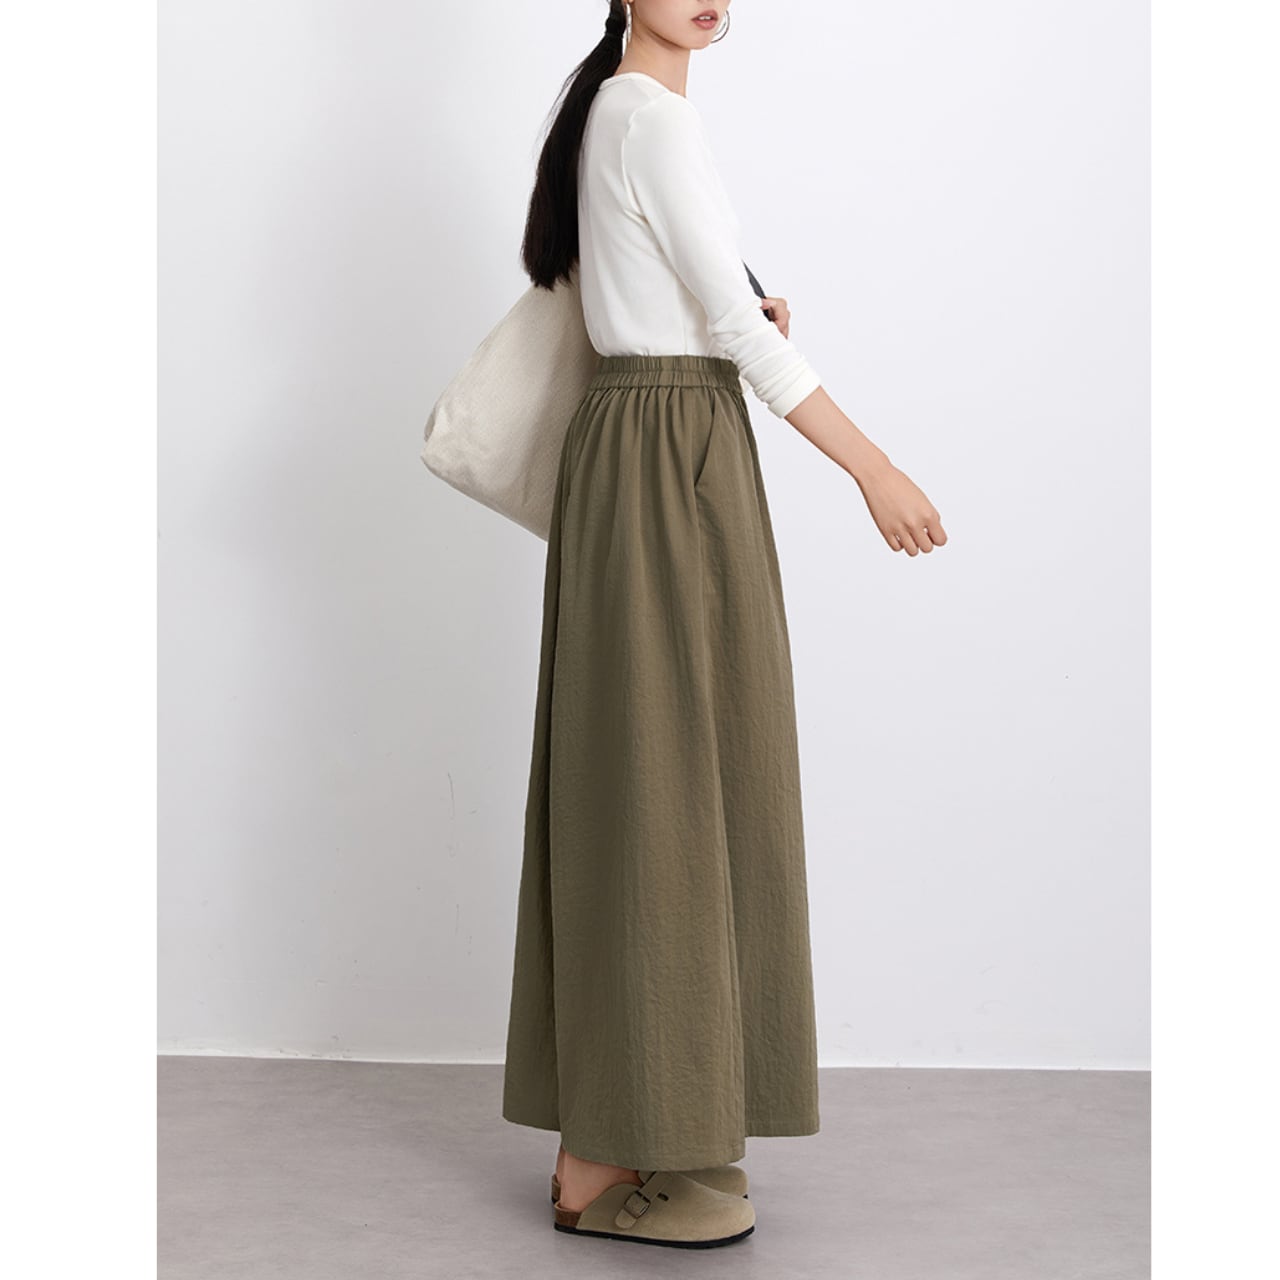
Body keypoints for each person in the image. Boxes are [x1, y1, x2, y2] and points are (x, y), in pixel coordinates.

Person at [500, 0, 946, 1249]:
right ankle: (604, 1154)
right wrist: (871, 467)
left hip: (660, 438)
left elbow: (686, 305)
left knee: (656, 776)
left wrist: (731, 325)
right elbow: (734, 332)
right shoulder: (647, 117)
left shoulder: (619, 112)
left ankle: (625, 1130)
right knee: (664, 781)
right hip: (669, 450)